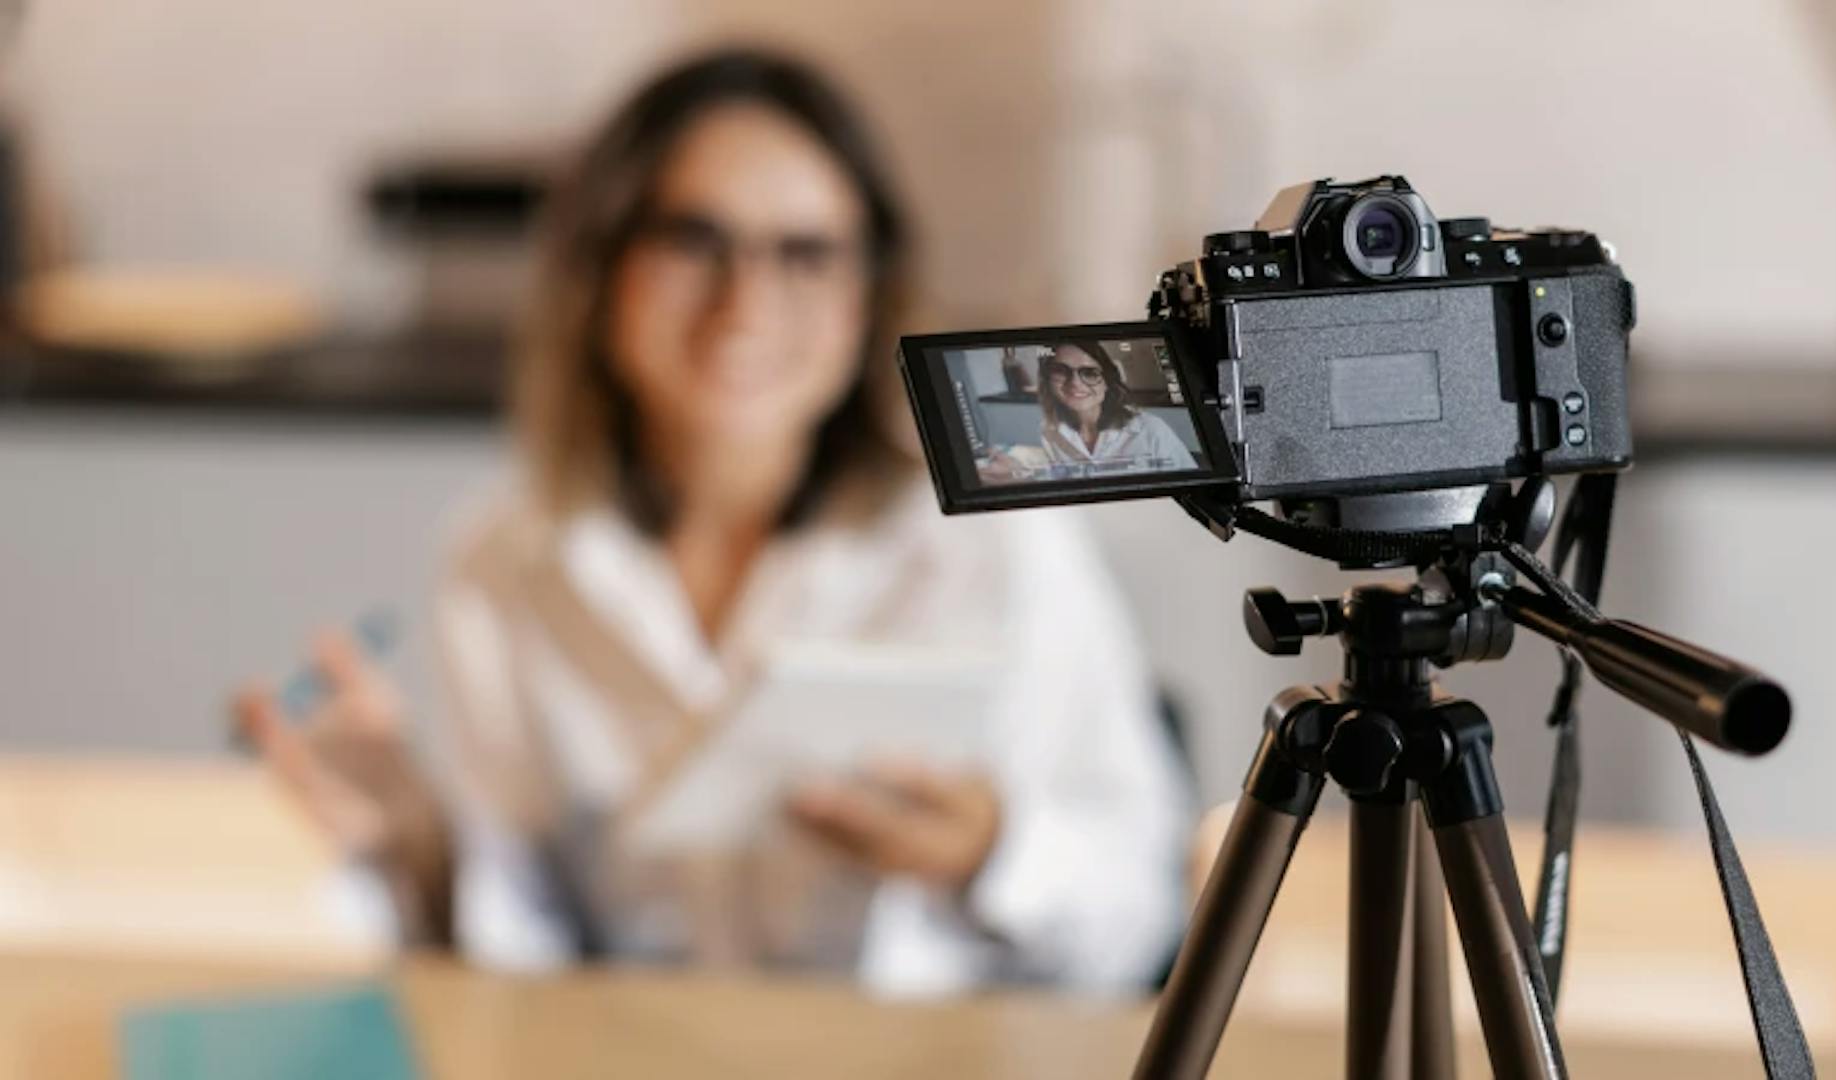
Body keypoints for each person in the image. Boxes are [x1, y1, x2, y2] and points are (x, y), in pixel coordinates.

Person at [231, 49, 1189, 996]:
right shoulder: (503, 560)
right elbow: (518, 972)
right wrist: (416, 841)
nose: (747, 301)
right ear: (600, 274)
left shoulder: (993, 542)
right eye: (694, 240)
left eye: (806, 252)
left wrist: (988, 852)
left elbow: (1136, 918)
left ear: (866, 294)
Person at [979, 340, 1196, 484]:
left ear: (1107, 382)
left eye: (1090, 373)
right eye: (1061, 371)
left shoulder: (1152, 430)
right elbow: (1068, 478)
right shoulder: (1049, 430)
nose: (1075, 383)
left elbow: (1191, 490)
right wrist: (1019, 472)